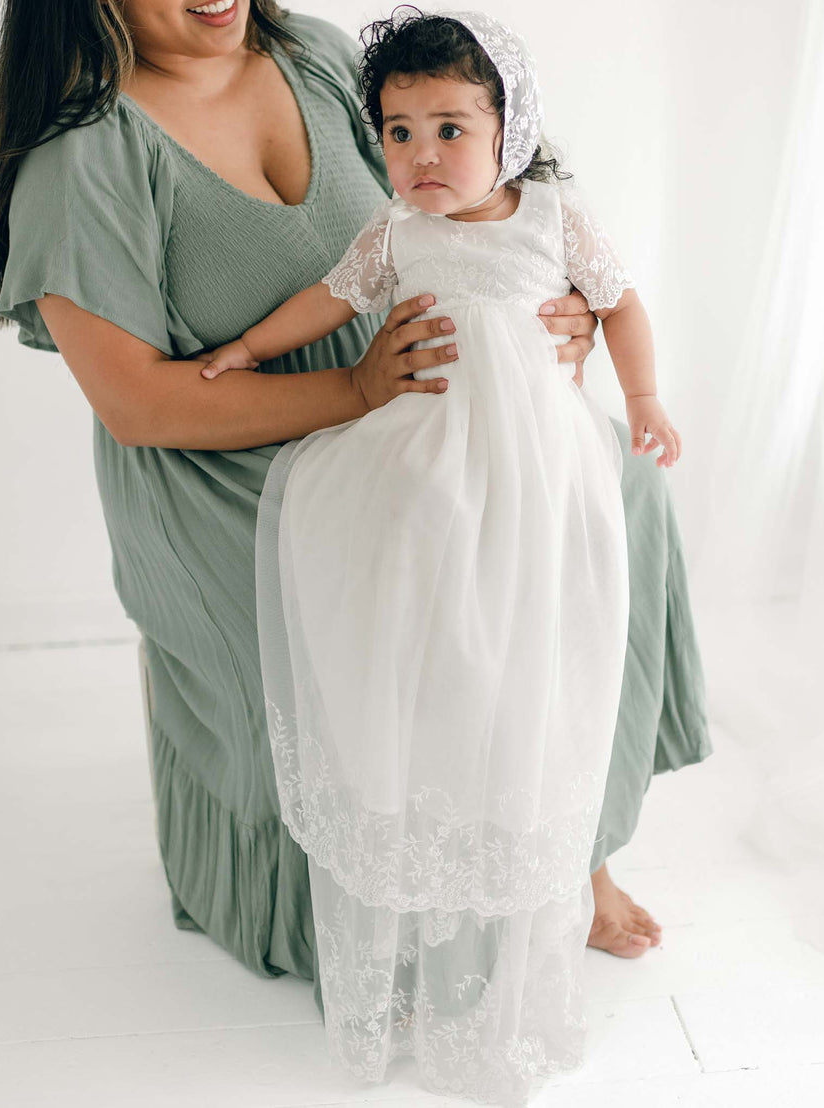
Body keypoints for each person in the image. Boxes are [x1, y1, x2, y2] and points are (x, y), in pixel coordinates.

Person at [0, 0, 709, 1028]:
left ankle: (563, 851)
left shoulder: (319, 58)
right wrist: (357, 393)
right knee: (412, 577)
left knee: (611, 489)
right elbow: (141, 403)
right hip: (232, 456)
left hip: (423, 409)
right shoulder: (84, 156)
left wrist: (573, 303)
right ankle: (395, 903)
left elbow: (508, 178)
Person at [196, 10, 679, 1099]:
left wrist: (641, 396)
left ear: (510, 129)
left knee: (539, 617)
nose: (421, 157)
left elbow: (623, 304)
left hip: (541, 466)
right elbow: (325, 300)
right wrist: (248, 348)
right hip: (427, 447)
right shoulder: (395, 237)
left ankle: (545, 868)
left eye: (450, 129)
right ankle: (416, 875)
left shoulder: (553, 218)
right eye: (398, 132)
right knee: (409, 540)